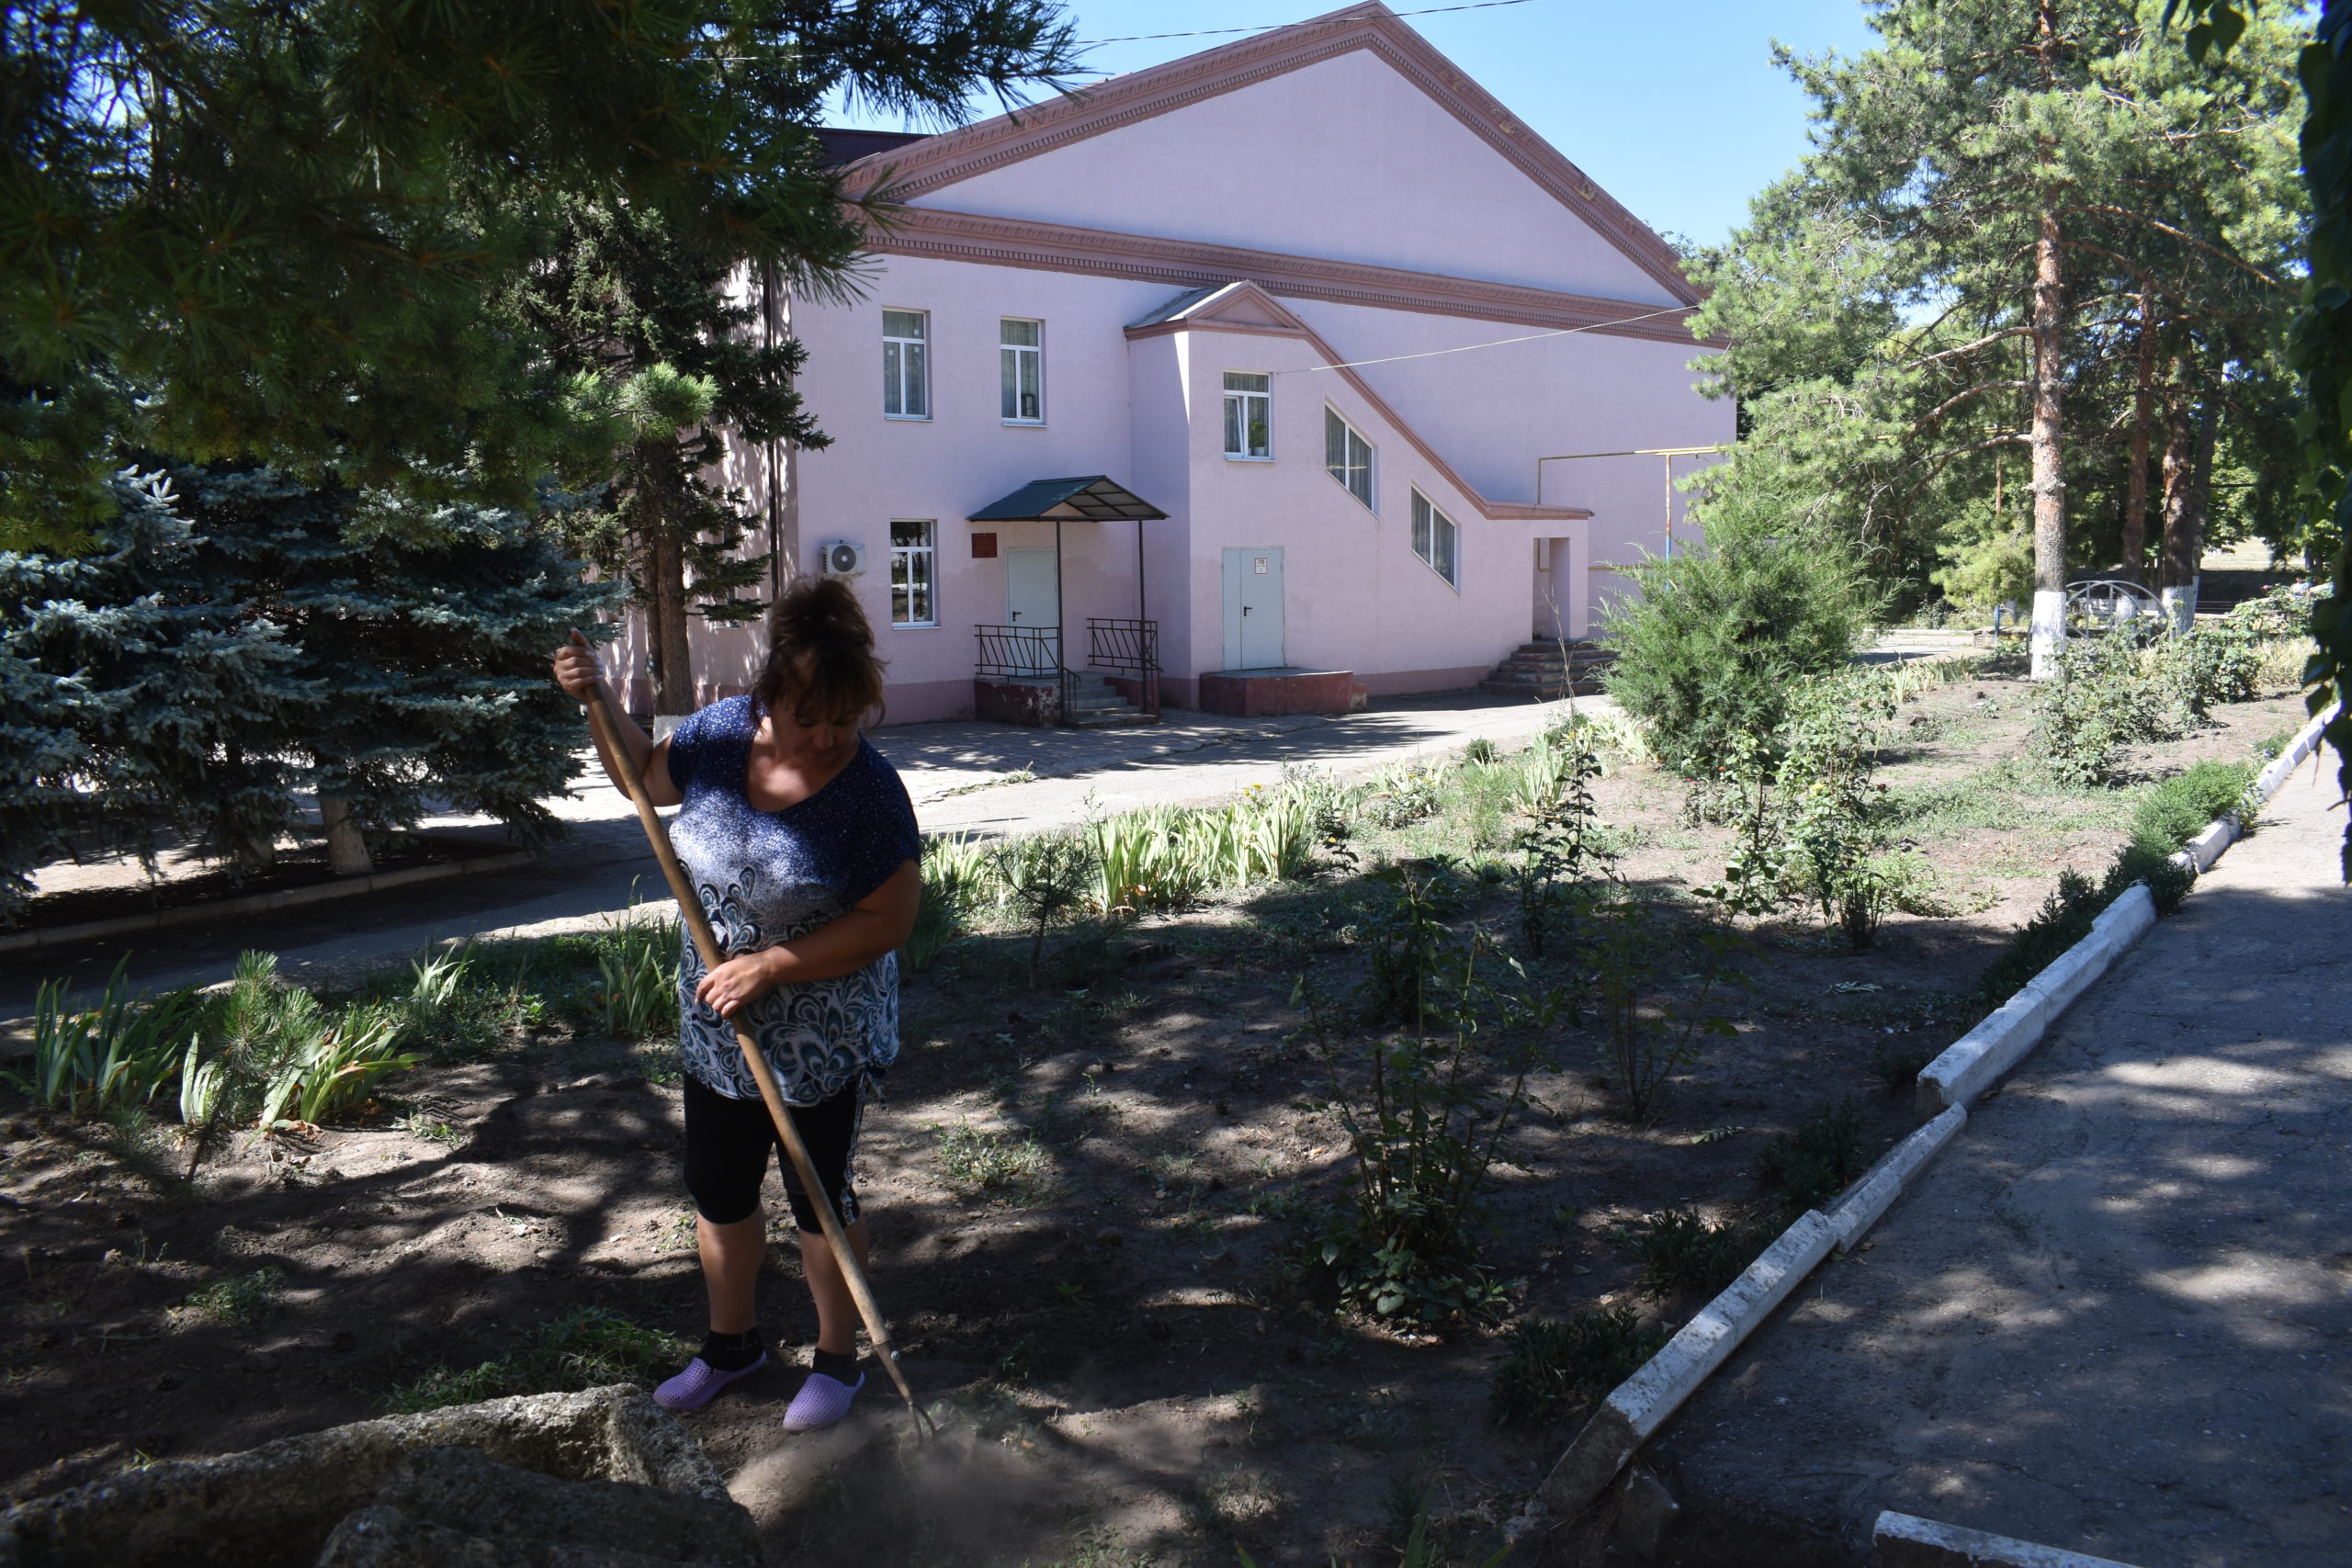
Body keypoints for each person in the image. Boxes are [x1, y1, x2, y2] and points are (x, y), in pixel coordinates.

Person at [550, 576, 920, 1432]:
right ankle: (732, 1345)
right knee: (718, 1189)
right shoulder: (717, 736)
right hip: (719, 1022)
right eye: (809, 719)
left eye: (846, 719)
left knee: (819, 1194)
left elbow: (889, 921)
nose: (829, 738)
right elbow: (643, 775)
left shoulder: (870, 793)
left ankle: (838, 1360)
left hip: (821, 1037)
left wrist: (773, 966)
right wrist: (597, 698)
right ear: (769, 699)